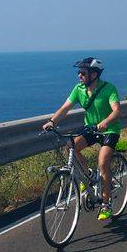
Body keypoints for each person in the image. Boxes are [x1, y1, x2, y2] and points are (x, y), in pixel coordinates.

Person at [43, 57, 121, 221]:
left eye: (83, 73)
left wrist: (105, 122)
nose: (79, 75)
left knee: (103, 162)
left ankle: (106, 204)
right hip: (91, 128)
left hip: (109, 130)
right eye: (78, 72)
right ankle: (89, 176)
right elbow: (65, 108)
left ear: (94, 74)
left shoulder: (108, 88)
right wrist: (52, 121)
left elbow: (116, 111)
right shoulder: (78, 89)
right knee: (71, 146)